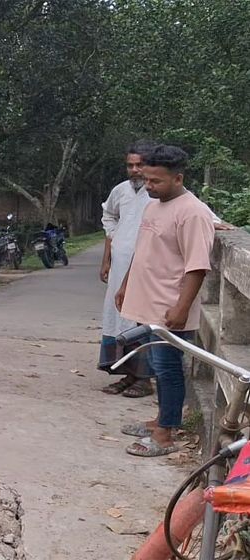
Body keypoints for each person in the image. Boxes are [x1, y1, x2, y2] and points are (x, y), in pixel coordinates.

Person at [116, 144, 215, 457]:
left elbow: (197, 267)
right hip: (148, 301)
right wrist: (125, 284)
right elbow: (143, 250)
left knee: (169, 368)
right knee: (159, 367)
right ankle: (161, 419)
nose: (149, 186)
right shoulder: (154, 205)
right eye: (147, 180)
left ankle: (164, 435)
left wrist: (181, 308)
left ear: (178, 178)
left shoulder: (192, 212)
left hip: (169, 306)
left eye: (156, 181)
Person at [98, 143, 155, 397]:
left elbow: (193, 210)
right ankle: (125, 374)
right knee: (118, 318)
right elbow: (108, 215)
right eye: (130, 165)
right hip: (120, 268)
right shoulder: (120, 191)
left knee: (140, 319)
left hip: (147, 269)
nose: (135, 170)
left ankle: (144, 379)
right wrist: (108, 257)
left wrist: (216, 223)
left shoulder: (158, 192)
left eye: (139, 164)